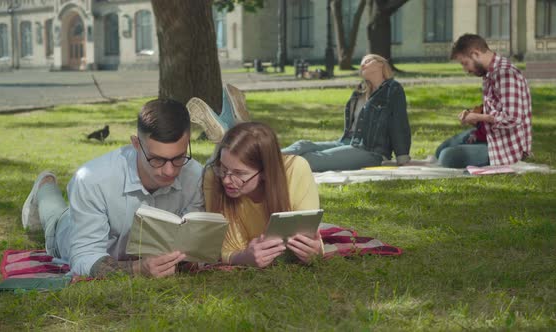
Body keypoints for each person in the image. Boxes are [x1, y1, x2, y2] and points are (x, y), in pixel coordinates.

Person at [21, 99, 204, 278]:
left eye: (179, 158)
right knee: (54, 218)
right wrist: (136, 270)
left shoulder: (196, 176)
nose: (169, 170)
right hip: (69, 233)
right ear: (135, 144)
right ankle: (45, 185)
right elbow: (84, 257)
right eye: (157, 159)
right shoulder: (92, 179)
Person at [203, 122, 322, 267]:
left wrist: (313, 250)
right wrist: (244, 258)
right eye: (223, 168)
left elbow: (309, 234)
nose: (226, 180)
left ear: (266, 172)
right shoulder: (213, 177)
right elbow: (221, 249)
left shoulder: (296, 169)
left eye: (239, 173)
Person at [280, 54, 412, 172]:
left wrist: (402, 157)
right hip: (347, 142)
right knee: (303, 145)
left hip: (370, 151)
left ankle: (273, 165)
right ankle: (269, 158)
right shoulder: (360, 91)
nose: (362, 64)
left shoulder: (392, 89)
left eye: (368, 61)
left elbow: (399, 123)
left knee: (310, 159)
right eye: (361, 63)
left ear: (380, 64)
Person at [435, 33, 532, 168]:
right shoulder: (490, 73)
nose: (466, 70)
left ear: (475, 54)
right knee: (440, 151)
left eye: (465, 63)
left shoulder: (506, 74)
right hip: (489, 134)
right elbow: (497, 107)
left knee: (446, 157)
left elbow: (513, 118)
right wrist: (474, 115)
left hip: (505, 146)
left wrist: (479, 116)